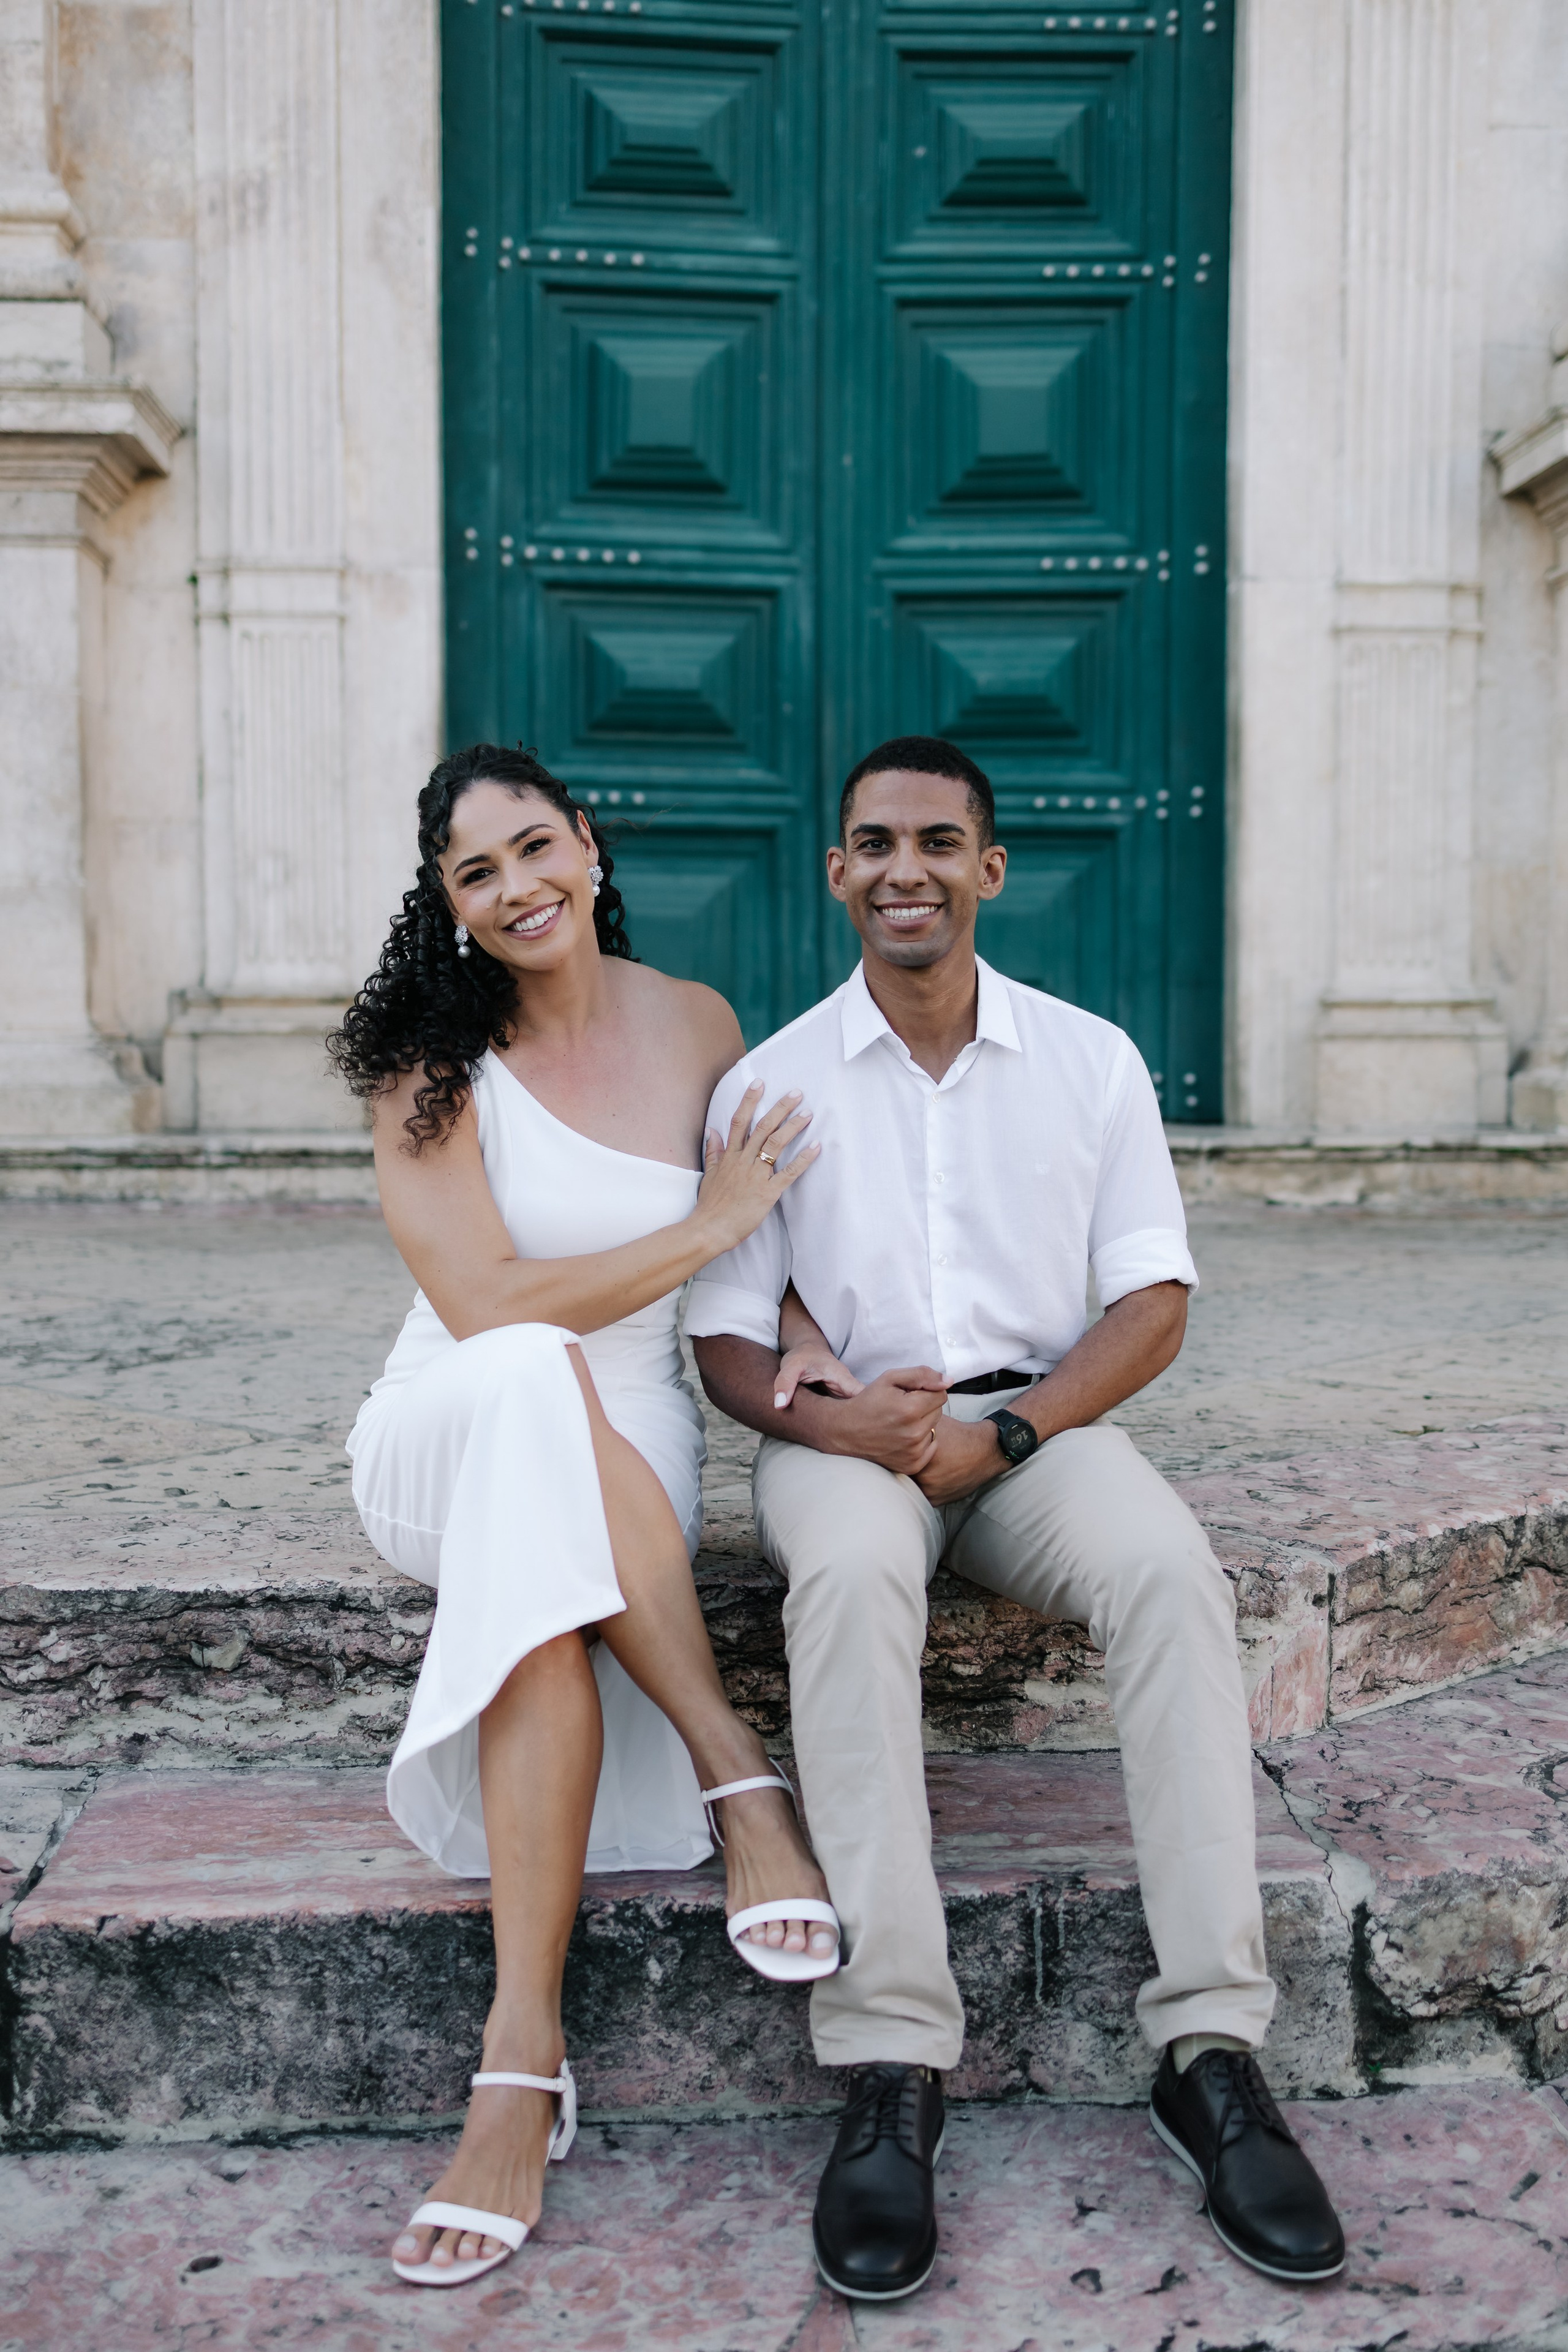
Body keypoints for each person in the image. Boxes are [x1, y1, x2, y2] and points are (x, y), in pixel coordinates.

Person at [688, 735, 1346, 2301]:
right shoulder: (766, 1080)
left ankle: (1207, 2051)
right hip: (842, 1438)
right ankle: (891, 2060)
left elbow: (1153, 1302)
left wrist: (1008, 1430)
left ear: (987, 870)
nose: (900, 868)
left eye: (935, 842)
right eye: (871, 843)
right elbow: (722, 1338)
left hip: (1028, 1426)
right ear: (835, 872)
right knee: (844, 1580)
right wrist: (832, 1419)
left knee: (1172, 1576)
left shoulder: (1090, 1059)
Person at [330, 743, 843, 2292]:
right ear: (448, 907)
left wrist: (806, 1331)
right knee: (531, 1371)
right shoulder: (426, 1065)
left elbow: (770, 1237)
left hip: (632, 1436)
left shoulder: (694, 1021)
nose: (516, 888)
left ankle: (519, 2065)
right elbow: (482, 1305)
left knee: (543, 1609)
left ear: (590, 846)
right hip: (450, 1420)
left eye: (533, 848)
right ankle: (737, 1778)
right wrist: (704, 1224)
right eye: (475, 874)